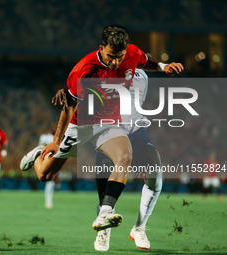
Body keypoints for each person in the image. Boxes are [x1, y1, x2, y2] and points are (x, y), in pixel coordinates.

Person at [20, 25, 183, 234]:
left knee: (124, 156)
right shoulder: (84, 69)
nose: (115, 62)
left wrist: (163, 66)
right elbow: (69, 105)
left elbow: (145, 62)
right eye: (110, 56)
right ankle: (37, 155)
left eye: (120, 57)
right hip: (82, 125)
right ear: (101, 48)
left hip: (109, 123)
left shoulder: (132, 53)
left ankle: (105, 212)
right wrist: (57, 141)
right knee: (45, 175)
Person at [94, 69, 162, 251]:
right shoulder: (103, 70)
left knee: (155, 169)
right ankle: (104, 228)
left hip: (136, 131)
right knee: (105, 195)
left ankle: (139, 227)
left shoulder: (142, 75)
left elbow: (137, 104)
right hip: (108, 131)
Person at [38, 127, 60, 209]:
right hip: (51, 161)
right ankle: (48, 202)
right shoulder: (52, 138)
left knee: (52, 182)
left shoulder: (44, 137)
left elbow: (40, 148)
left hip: (52, 161)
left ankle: (48, 202)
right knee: (51, 182)